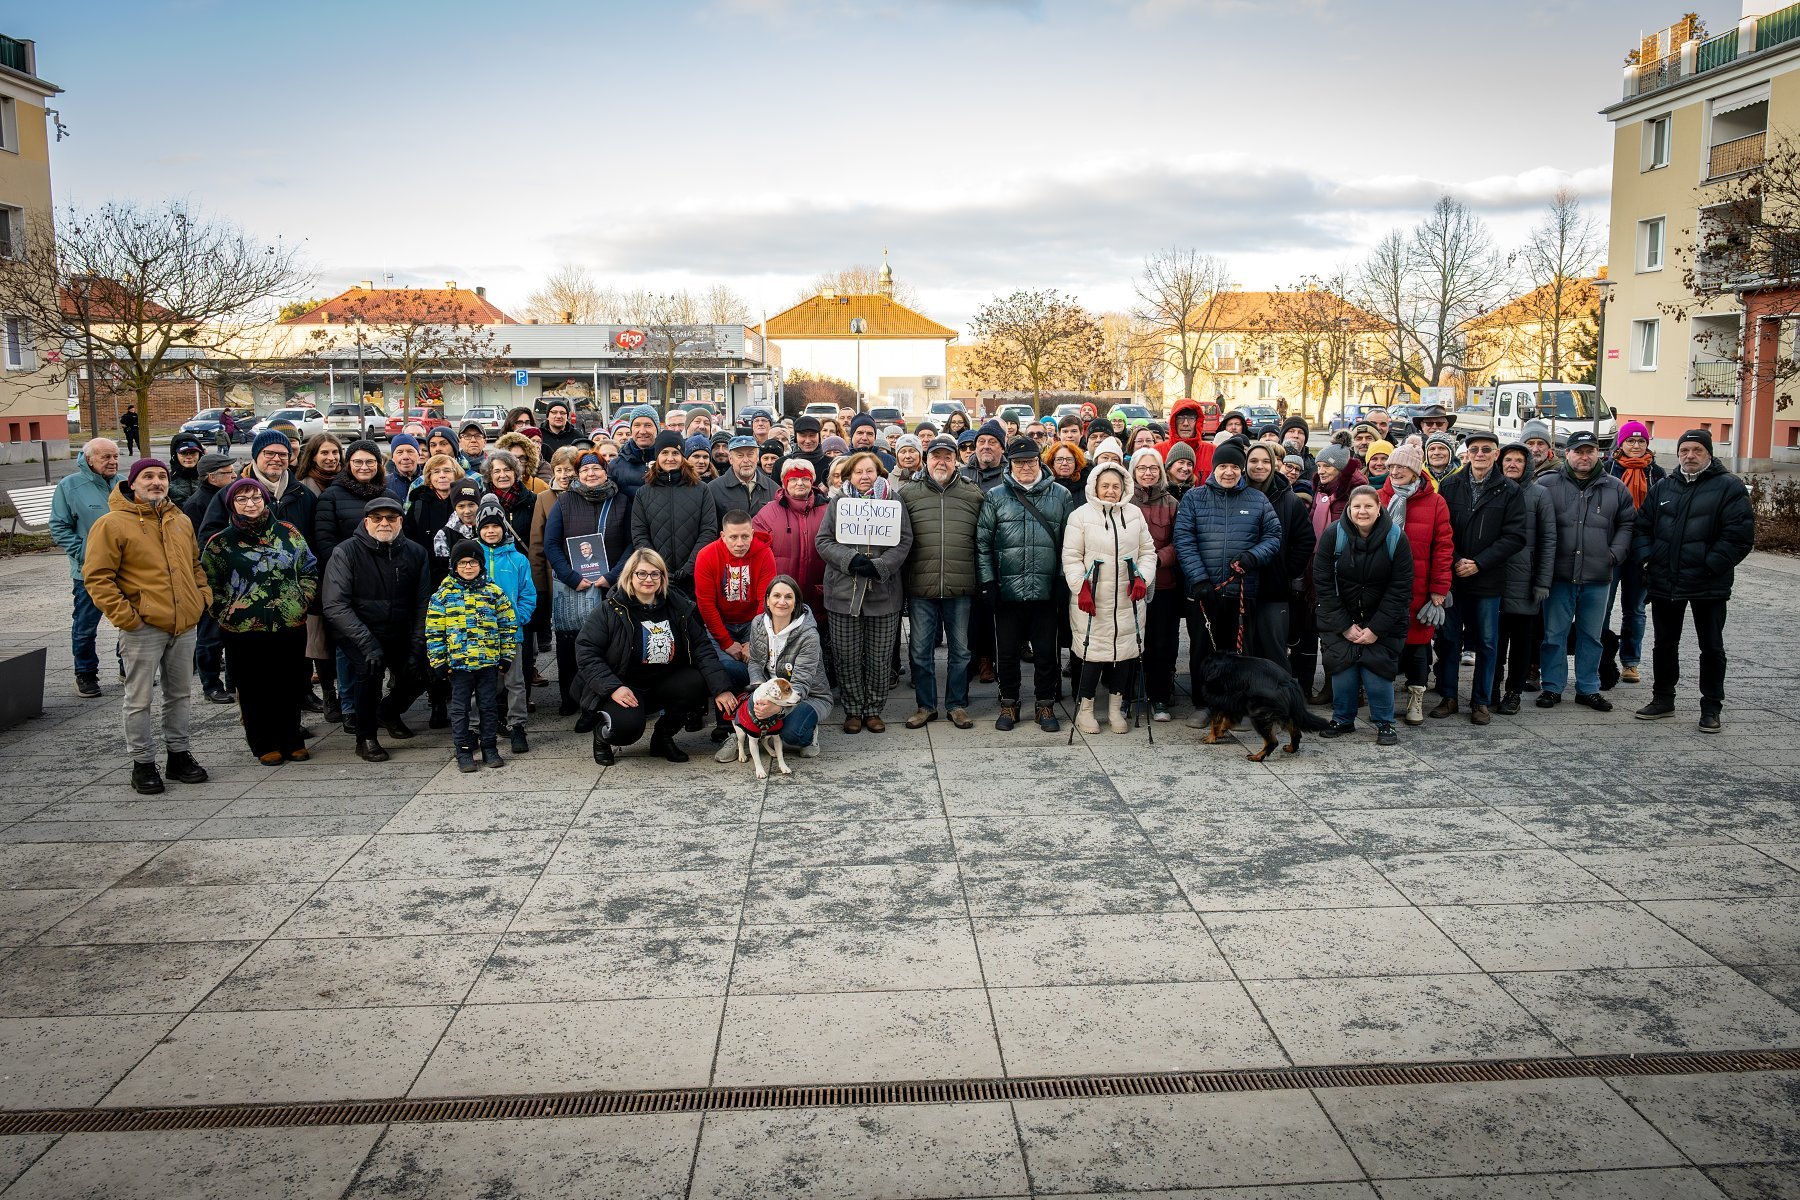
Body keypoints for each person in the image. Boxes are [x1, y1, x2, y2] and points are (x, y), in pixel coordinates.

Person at [82, 458, 212, 794]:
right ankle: (142, 762)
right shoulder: (112, 524)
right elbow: (97, 578)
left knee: (180, 695)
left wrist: (201, 598)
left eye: (161, 476)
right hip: (143, 627)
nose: (156, 482)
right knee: (139, 699)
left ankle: (178, 756)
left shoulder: (179, 519)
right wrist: (128, 618)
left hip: (184, 623)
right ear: (133, 483)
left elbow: (195, 565)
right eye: (148, 476)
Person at [1631, 429, 1755, 732]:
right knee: (1664, 644)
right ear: (1678, 454)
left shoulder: (1729, 487)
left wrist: (1710, 566)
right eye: (1684, 450)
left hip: (1708, 583)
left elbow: (1738, 536)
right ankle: (1663, 699)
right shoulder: (1664, 487)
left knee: (1711, 647)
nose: (1690, 456)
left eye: (1697, 450)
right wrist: (1649, 559)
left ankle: (1711, 707)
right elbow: (1642, 527)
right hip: (1666, 580)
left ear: (1709, 454)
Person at [574, 547, 736, 764]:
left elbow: (701, 648)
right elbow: (586, 651)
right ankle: (603, 736)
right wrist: (613, 688)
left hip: (663, 682)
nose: (648, 579)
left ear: (662, 577)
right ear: (630, 576)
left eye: (655, 573)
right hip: (624, 685)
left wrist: (721, 688)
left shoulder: (677, 606)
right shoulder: (610, 609)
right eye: (641, 573)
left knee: (698, 682)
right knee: (627, 729)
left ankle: (663, 737)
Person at [200, 478, 318, 764]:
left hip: (289, 623)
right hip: (243, 629)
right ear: (232, 504)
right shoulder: (221, 543)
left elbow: (308, 568)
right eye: (242, 499)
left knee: (290, 682)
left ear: (265, 500)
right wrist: (226, 612)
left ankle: (291, 738)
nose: (250, 504)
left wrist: (302, 599)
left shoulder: (288, 532)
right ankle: (263, 742)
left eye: (256, 498)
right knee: (253, 686)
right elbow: (209, 584)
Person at [1173, 441, 1282, 726]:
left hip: (1242, 590)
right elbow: (1184, 540)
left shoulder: (1257, 500)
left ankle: (1237, 706)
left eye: (1234, 466)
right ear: (1214, 468)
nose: (1229, 472)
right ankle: (1204, 704)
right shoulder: (1194, 498)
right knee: (1202, 650)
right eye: (1223, 466)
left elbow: (1273, 536)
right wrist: (1199, 579)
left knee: (1239, 652)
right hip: (1204, 592)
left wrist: (1252, 556)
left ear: (1241, 469)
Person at [1532, 430, 1637, 713]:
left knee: (1591, 636)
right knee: (1554, 634)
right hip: (1559, 575)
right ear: (1567, 453)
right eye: (1578, 451)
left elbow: (1628, 524)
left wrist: (1613, 555)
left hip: (1597, 576)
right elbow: (1534, 522)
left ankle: (1588, 688)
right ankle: (1552, 687)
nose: (1584, 456)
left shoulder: (1615, 487)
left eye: (1590, 451)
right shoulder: (1547, 484)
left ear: (1598, 453)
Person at [978, 436, 1075, 732]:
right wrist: (988, 582)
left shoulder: (1060, 495)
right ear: (1010, 464)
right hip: (1007, 590)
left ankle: (1045, 704)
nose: (1025, 468)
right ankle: (1009, 702)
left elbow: (1070, 543)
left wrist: (1062, 579)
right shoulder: (996, 496)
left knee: (1046, 653)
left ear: (1039, 461)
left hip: (1046, 590)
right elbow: (983, 542)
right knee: (1007, 653)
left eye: (1030, 461)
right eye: (1019, 463)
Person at [323, 495, 429, 762]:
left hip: (399, 630)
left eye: (391, 518)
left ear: (400, 521)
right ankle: (366, 737)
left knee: (421, 670)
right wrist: (368, 643)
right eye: (377, 518)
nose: (384, 523)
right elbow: (335, 605)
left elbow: (423, 602)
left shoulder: (416, 552)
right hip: (359, 632)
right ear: (366, 522)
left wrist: (418, 643)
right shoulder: (346, 552)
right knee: (369, 671)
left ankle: (388, 712)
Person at [815, 451, 914, 733]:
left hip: (883, 594)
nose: (864, 476)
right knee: (846, 656)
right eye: (858, 472)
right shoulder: (839, 502)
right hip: (844, 593)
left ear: (879, 473)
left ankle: (873, 710)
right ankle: (853, 710)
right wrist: (850, 559)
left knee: (879, 657)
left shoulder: (893, 501)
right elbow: (823, 540)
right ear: (849, 475)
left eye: (869, 471)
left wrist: (881, 565)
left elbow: (904, 540)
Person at [1433, 428, 1525, 725]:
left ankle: (1481, 701)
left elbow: (1515, 536)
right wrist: (1457, 560)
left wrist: (1480, 563)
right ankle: (1448, 696)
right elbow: (1441, 529)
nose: (1480, 454)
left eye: (1486, 450)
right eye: (1474, 450)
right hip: (1454, 575)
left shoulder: (1510, 490)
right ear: (1467, 454)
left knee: (1487, 642)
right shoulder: (1450, 484)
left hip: (1488, 577)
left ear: (1496, 454)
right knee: (1448, 638)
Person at [1063, 459, 1157, 735]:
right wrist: (1080, 587)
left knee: (1125, 654)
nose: (1110, 491)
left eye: (1116, 486)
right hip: (1093, 599)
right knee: (1092, 655)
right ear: (1095, 486)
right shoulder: (1080, 516)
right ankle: (1086, 710)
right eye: (1105, 485)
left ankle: (1116, 708)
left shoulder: (1134, 514)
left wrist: (1142, 578)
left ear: (1124, 487)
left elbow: (1147, 551)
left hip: (1127, 599)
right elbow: (1071, 557)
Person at [1314, 485, 1413, 745]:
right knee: (1343, 670)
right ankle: (1343, 719)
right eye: (1356, 506)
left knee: (1377, 672)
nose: (1362, 511)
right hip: (1340, 617)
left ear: (1379, 508)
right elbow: (1323, 583)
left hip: (1383, 619)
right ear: (1349, 508)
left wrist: (1376, 628)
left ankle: (1385, 723)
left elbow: (1400, 588)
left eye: (1368, 506)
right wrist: (1344, 625)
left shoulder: (1396, 538)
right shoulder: (1333, 535)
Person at [899, 436, 985, 730]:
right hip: (921, 586)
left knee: (960, 651)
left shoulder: (973, 494)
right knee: (920, 651)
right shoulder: (908, 494)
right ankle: (925, 706)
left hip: (960, 586)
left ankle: (956, 705)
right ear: (926, 460)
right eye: (936, 456)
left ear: (956, 461)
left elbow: (981, 541)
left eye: (948, 457)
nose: (942, 462)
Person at [544, 451, 631, 722]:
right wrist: (571, 577)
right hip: (574, 587)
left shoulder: (621, 501)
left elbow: (632, 543)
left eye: (596, 469)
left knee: (607, 645)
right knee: (571, 643)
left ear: (606, 472)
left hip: (610, 586)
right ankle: (570, 698)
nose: (591, 474)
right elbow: (551, 544)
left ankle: (600, 699)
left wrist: (613, 576)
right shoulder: (565, 501)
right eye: (584, 470)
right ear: (578, 474)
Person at [1375, 444, 1454, 726]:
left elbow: (1443, 547)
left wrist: (1439, 589)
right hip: (1382, 585)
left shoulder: (1436, 503)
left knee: (1418, 644)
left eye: (1402, 467)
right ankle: (1382, 700)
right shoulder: (1378, 497)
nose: (1395, 471)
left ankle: (1415, 697)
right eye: (1392, 466)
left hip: (1419, 585)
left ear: (1415, 471)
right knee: (1383, 643)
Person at [427, 539, 518, 771]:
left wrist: (506, 656)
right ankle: (464, 751)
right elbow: (434, 631)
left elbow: (507, 625)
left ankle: (489, 747)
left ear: (481, 565)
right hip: (458, 666)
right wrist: (439, 661)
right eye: (463, 563)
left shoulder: (493, 592)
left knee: (488, 707)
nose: (468, 567)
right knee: (460, 710)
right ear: (454, 566)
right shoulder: (442, 596)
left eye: (473, 562)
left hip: (487, 664)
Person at [695, 509, 777, 744]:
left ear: (752, 533)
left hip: (754, 623)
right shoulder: (707, 555)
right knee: (725, 667)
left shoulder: (764, 554)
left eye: (745, 536)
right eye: (733, 537)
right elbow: (706, 604)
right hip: (720, 623)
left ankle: (755, 718)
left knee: (757, 666)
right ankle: (726, 724)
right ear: (723, 536)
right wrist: (725, 642)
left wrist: (753, 639)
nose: (740, 543)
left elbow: (765, 601)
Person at [51, 438, 122, 698]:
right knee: (85, 626)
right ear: (89, 459)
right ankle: (85, 674)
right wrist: (86, 554)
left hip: (125, 569)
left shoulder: (124, 483)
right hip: (88, 573)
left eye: (115, 456)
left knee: (130, 622)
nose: (112, 462)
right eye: (106, 457)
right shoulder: (69, 486)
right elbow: (59, 527)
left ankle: (127, 667)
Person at [1244, 442, 1316, 675]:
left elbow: (1305, 539)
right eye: (1254, 461)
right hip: (1240, 588)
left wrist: (1286, 571)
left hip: (1274, 590)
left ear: (1274, 464)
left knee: (1274, 650)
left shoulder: (1289, 499)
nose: (1260, 466)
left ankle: (1280, 695)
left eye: (1266, 461)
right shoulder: (1235, 493)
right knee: (1244, 650)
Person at [1494, 441, 1555, 715]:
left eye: (1519, 460)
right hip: (1494, 580)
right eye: (1508, 459)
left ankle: (1513, 693)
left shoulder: (1540, 494)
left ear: (1527, 464)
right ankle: (1490, 689)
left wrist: (1542, 581)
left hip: (1526, 582)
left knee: (1521, 644)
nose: (1512, 464)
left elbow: (1548, 540)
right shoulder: (1493, 490)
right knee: (1494, 642)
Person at [475, 498, 537, 754]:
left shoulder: (518, 560)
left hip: (511, 633)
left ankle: (517, 726)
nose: (491, 531)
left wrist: (518, 618)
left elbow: (528, 594)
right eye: (486, 526)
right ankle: (480, 727)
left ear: (504, 528)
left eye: (496, 526)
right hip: (479, 634)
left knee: (515, 682)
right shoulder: (471, 558)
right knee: (483, 683)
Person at [1606, 420, 1664, 683]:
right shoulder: (1608, 469)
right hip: (1610, 548)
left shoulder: (1657, 473)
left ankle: (1630, 662)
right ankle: (1602, 658)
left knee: (1635, 609)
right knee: (1603, 608)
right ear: (1621, 444)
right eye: (1631, 440)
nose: (1636, 446)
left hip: (1641, 551)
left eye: (1641, 441)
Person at [754, 459, 830, 655]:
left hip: (818, 590)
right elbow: (756, 552)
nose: (799, 483)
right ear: (784, 482)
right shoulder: (768, 512)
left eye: (805, 479)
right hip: (782, 593)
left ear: (812, 481)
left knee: (816, 644)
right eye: (794, 479)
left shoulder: (828, 510)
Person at [630, 429, 717, 597]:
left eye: (675, 453)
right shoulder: (643, 493)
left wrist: (690, 566)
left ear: (683, 456)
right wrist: (658, 567)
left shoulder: (701, 490)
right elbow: (639, 534)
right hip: (656, 578)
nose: (670, 458)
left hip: (694, 576)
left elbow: (708, 530)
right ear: (657, 456)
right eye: (665, 453)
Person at [1130, 447, 1181, 722]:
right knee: (1130, 642)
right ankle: (1127, 695)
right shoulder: (1125, 500)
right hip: (1128, 584)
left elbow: (1179, 542)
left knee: (1161, 643)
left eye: (1153, 468)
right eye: (1142, 468)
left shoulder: (1172, 503)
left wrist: (1156, 560)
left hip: (1162, 584)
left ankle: (1159, 698)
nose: (1147, 473)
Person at [709, 434, 776, 518]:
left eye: (750, 454)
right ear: (730, 459)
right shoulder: (714, 489)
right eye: (740, 455)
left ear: (757, 458)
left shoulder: (773, 489)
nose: (746, 460)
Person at [610, 407, 660, 497]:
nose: (642, 431)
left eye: (648, 425)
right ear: (631, 429)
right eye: (637, 425)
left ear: (657, 429)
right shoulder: (616, 466)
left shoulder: (668, 461)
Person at [167, 433, 204, 506]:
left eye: (193, 452)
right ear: (175, 455)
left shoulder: (209, 478)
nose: (189, 457)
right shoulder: (168, 481)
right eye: (183, 453)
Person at [385, 433, 424, 501]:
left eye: (410, 451)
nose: (405, 457)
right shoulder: (384, 485)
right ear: (393, 458)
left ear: (418, 455)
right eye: (399, 452)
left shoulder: (429, 481)